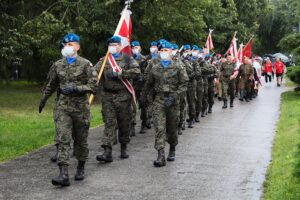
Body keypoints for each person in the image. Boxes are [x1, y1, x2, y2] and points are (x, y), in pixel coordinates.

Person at [39, 33, 98, 186]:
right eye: (65, 45)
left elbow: (94, 86)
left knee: (80, 140)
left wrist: (77, 88)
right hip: (62, 107)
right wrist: (43, 99)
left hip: (80, 109)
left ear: (77, 47)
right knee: (62, 138)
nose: (67, 47)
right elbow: (51, 84)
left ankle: (81, 166)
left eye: (71, 45)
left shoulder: (86, 64)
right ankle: (63, 174)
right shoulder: (58, 65)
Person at [142, 40, 188, 167]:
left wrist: (175, 96)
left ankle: (172, 148)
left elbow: (184, 84)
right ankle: (160, 154)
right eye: (161, 51)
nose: (163, 53)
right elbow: (149, 84)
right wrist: (146, 98)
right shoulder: (155, 68)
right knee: (159, 127)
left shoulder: (178, 66)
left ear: (170, 52)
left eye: (166, 50)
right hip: (159, 100)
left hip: (173, 100)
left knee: (172, 128)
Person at [95, 36, 140, 163]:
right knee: (109, 123)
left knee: (124, 123)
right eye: (111, 45)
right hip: (108, 97)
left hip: (123, 97)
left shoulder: (127, 59)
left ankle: (124, 147)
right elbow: (94, 73)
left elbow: (137, 71)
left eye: (115, 44)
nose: (113, 47)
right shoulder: (104, 60)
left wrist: (120, 73)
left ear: (120, 46)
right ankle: (107, 151)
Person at [131, 41, 149, 134]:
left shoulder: (144, 59)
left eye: (136, 47)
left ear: (140, 48)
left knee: (143, 105)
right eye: (133, 48)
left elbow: (147, 72)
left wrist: (142, 78)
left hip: (141, 86)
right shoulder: (128, 58)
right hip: (132, 86)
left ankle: (144, 123)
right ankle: (132, 125)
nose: (134, 49)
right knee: (131, 107)